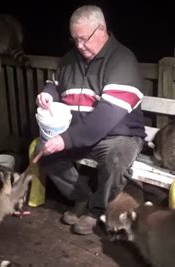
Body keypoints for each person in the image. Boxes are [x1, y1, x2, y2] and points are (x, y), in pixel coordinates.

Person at [35, 5, 145, 235]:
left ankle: (97, 210)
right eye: (74, 39)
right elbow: (55, 84)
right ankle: (82, 196)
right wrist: (48, 94)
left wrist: (66, 139)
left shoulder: (123, 59)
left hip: (119, 135)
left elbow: (107, 117)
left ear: (102, 29)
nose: (79, 46)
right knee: (42, 150)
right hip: (79, 132)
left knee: (116, 161)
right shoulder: (69, 59)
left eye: (84, 39)